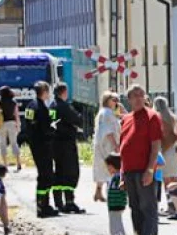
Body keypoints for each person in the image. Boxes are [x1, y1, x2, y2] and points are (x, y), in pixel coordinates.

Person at [120, 85, 164, 235]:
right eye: (134, 95)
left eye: (141, 95)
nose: (138, 98)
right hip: (130, 171)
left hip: (144, 170)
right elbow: (123, 148)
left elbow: (155, 146)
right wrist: (122, 175)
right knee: (135, 209)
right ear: (129, 99)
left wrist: (150, 170)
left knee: (148, 208)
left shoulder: (152, 116)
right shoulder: (126, 119)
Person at [25, 81, 60, 218]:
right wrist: (53, 129)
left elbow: (28, 126)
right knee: (46, 176)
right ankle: (43, 206)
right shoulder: (42, 108)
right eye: (48, 91)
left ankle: (42, 204)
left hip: (34, 145)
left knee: (43, 175)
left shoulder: (30, 106)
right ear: (44, 92)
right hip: (43, 146)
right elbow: (45, 129)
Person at [51, 83, 85, 214]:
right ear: (64, 92)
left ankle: (59, 202)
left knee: (59, 172)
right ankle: (69, 201)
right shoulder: (64, 106)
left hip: (55, 144)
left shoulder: (52, 106)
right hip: (66, 144)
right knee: (70, 172)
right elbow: (77, 119)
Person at [93, 91, 121, 202]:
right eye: (113, 100)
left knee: (101, 167)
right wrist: (115, 145)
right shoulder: (107, 113)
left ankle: (98, 191)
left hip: (101, 144)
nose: (116, 102)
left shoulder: (103, 112)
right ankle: (110, 193)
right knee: (111, 168)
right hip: (107, 145)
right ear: (107, 100)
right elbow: (108, 131)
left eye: (117, 100)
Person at [153, 96, 177, 195]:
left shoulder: (155, 117)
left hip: (163, 150)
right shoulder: (173, 117)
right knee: (174, 178)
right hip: (174, 148)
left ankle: (171, 202)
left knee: (166, 179)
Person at [103, 153, 130, 235]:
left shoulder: (117, 177)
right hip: (117, 204)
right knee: (116, 223)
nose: (108, 169)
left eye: (108, 167)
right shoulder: (117, 177)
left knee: (115, 225)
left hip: (115, 204)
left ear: (112, 166)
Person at [0, 86, 22, 172]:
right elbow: (16, 115)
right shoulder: (13, 102)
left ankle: (5, 166)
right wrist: (18, 125)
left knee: (2, 144)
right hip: (12, 123)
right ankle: (18, 163)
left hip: (1, 124)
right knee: (14, 143)